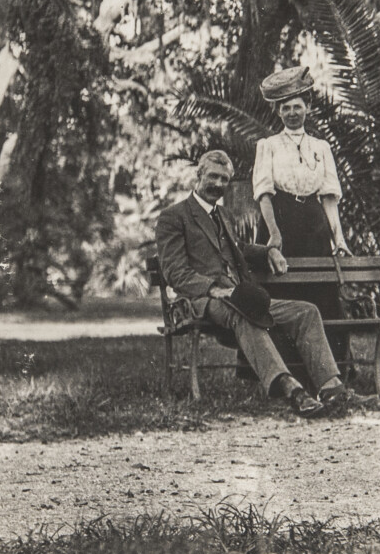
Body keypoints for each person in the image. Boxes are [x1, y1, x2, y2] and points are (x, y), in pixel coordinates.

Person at [156, 150, 367, 417]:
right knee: (245, 313)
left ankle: (332, 388)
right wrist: (213, 288)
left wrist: (268, 252)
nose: (218, 184)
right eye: (213, 176)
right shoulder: (174, 216)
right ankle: (292, 389)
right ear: (198, 175)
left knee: (306, 311)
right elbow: (175, 271)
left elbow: (238, 248)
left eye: (224, 179)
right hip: (202, 301)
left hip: (240, 296)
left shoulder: (223, 215)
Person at [253, 65, 352, 367]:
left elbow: (329, 197)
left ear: (308, 108)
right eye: (286, 108)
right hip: (279, 220)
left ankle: (330, 369)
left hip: (313, 225)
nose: (293, 112)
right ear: (278, 112)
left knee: (322, 295)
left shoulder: (321, 148)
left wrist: (340, 240)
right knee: (279, 294)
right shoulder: (267, 146)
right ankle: (284, 370)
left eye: (298, 106)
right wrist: (273, 234)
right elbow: (264, 193)